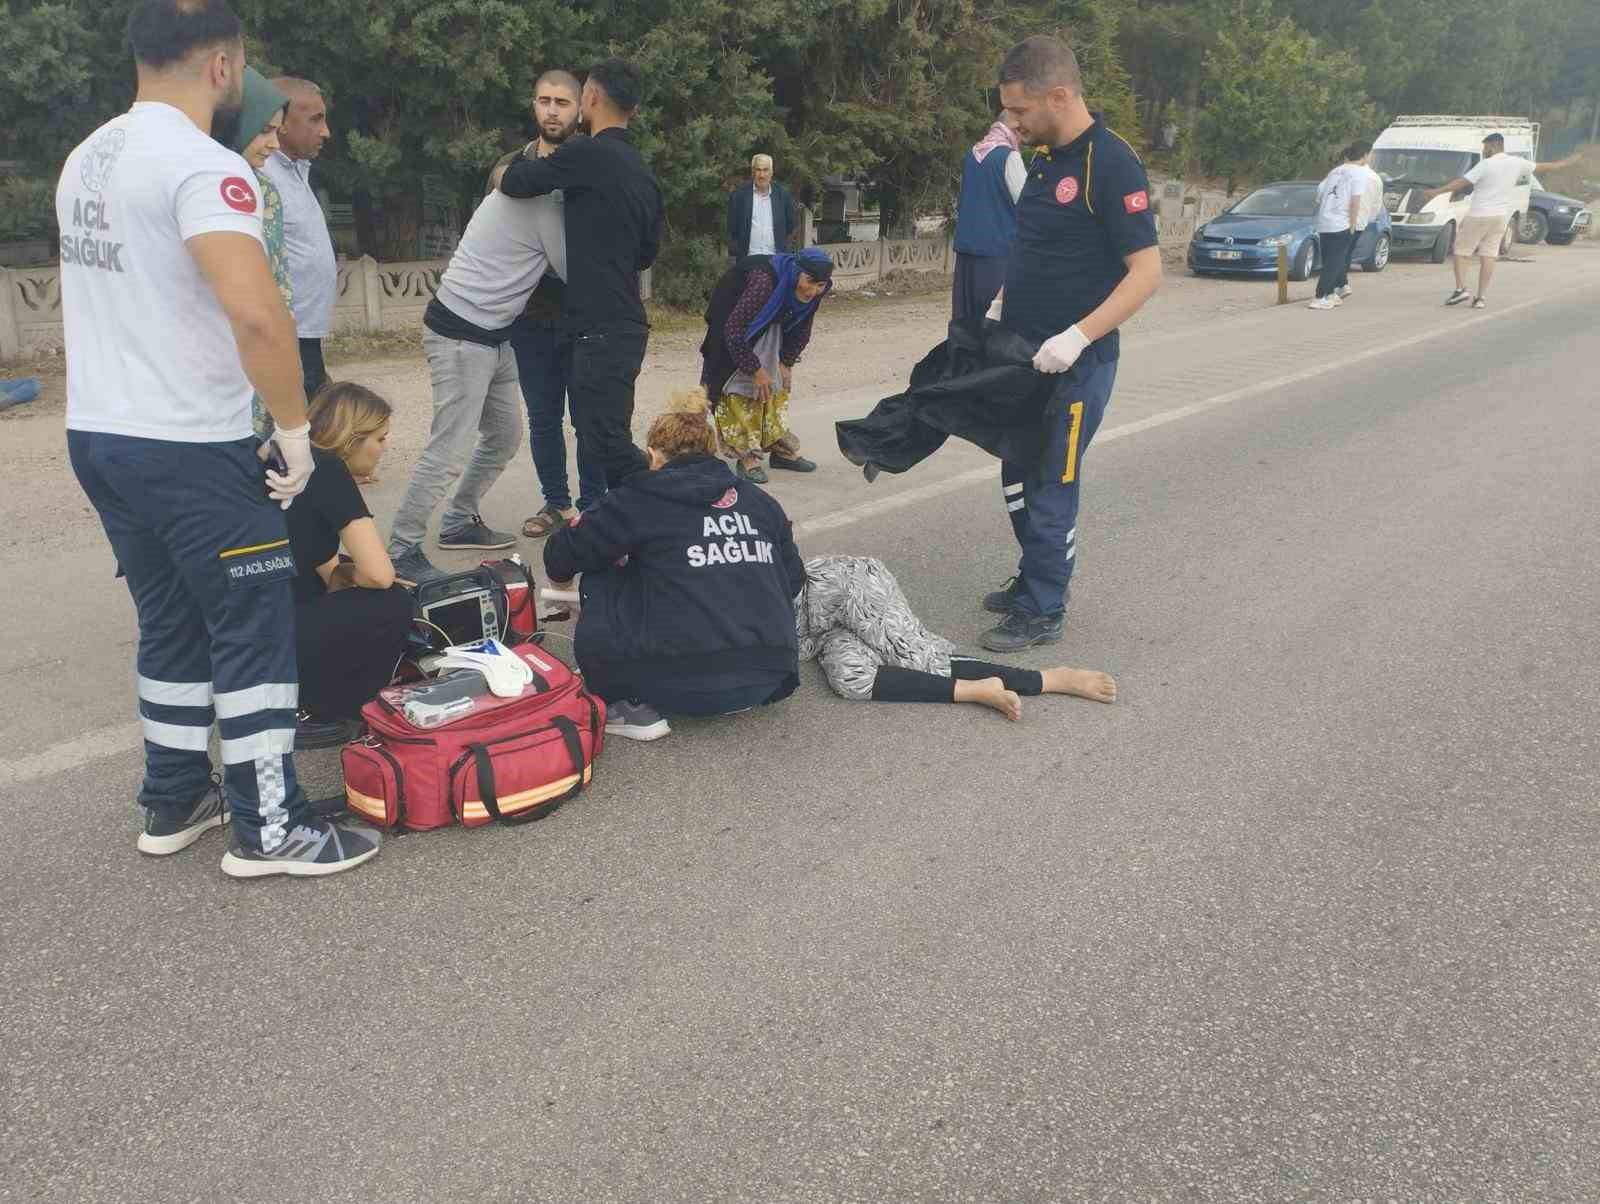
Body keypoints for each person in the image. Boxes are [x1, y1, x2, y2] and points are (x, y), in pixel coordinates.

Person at [59, 0, 378, 878]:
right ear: (224, 67)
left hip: (102, 434)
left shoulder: (89, 157)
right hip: (188, 442)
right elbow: (257, 317)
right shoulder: (205, 168)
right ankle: (269, 829)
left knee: (169, 621)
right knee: (253, 623)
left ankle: (173, 797)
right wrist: (294, 432)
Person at [981, 36, 1162, 652]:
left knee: (1052, 480)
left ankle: (1043, 606)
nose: (1011, 122)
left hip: (1076, 364)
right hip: (1024, 356)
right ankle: (1032, 575)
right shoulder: (1044, 158)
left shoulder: (1111, 164)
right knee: (1015, 467)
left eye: (1019, 110)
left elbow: (1147, 274)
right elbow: (1036, 246)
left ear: (1058, 96)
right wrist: (1005, 297)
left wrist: (1078, 337)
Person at [543, 388, 805, 742]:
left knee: (602, 566)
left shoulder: (639, 497)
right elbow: (793, 580)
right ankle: (735, 668)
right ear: (711, 451)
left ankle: (623, 701)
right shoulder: (760, 501)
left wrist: (561, 585)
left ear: (652, 454)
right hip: (769, 677)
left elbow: (565, 554)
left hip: (676, 686)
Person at [386, 123, 569, 585]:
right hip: (462, 334)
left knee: (505, 433)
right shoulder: (540, 204)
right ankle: (401, 548)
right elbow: (570, 268)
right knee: (448, 449)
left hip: (494, 334)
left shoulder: (532, 195)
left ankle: (458, 520)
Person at [500, 58, 665, 490]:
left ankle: (677, 488)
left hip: (599, 329)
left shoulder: (584, 153)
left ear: (590, 98)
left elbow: (516, 182)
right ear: (635, 109)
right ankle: (613, 522)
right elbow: (646, 254)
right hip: (627, 324)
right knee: (603, 436)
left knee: (605, 442)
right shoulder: (644, 172)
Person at [487, 71, 607, 540]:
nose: (552, 110)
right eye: (544, 100)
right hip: (530, 318)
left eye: (562, 102)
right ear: (533, 104)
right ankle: (556, 503)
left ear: (580, 108)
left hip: (584, 318)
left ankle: (595, 506)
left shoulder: (595, 163)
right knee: (543, 418)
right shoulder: (509, 165)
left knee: (588, 417)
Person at [798, 556, 1117, 719]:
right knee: (851, 679)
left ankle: (1048, 679)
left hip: (839, 586)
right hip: (817, 631)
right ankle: (978, 690)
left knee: (915, 657)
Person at [285, 382, 413, 741]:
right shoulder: (326, 469)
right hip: (279, 634)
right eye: (380, 439)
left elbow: (321, 559)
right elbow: (379, 574)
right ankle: (327, 709)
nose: (384, 449)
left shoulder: (288, 457)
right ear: (354, 438)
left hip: (239, 625)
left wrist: (347, 573)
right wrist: (366, 578)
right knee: (393, 601)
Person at [699, 247, 834, 482]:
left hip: (770, 322)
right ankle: (747, 457)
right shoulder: (764, 283)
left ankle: (779, 449)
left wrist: (786, 362)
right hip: (731, 322)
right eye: (810, 282)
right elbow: (733, 331)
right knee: (737, 388)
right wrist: (755, 369)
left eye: (820, 285)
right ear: (796, 273)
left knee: (776, 387)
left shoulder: (816, 290)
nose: (813, 291)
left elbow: (803, 328)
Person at [212, 66, 291, 438]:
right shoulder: (209, 186)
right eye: (265, 131)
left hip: (253, 358)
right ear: (231, 124)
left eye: (277, 131)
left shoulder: (262, 191)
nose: (275, 144)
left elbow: (275, 290)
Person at [1426, 134, 1584, 309]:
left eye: (1485, 147)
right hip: (1500, 216)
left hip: (1479, 214)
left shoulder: (1486, 164)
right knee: (1489, 255)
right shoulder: (1517, 162)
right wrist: (1567, 162)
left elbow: (1462, 183)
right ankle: (1481, 297)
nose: (1484, 150)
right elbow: (1547, 167)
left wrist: (1437, 191)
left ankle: (1460, 289)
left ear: (1493, 146)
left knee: (1461, 252)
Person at [260, 75, 336, 398]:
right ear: (282, 122)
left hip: (308, 334)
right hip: (284, 338)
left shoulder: (297, 170)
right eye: (315, 120)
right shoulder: (263, 177)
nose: (326, 131)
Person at [952, 114, 1025, 322]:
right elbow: (1027, 205)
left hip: (965, 255)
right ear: (1013, 126)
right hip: (998, 255)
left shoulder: (971, 154)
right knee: (996, 326)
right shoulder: (1009, 157)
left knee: (965, 325)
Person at [1308, 146, 1362, 311]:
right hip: (1341, 223)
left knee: (1328, 260)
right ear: (1365, 155)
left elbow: (1319, 194)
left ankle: (1330, 294)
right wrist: (1353, 224)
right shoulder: (1359, 173)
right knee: (1336, 261)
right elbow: (1355, 201)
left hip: (1324, 221)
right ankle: (1319, 296)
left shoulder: (1334, 171)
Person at [726, 154, 798, 260]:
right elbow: (732, 228)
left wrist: (785, 250)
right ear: (752, 172)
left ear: (771, 172)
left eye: (765, 170)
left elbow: (790, 226)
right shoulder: (739, 196)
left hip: (776, 260)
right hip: (749, 259)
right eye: (758, 170)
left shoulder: (783, 196)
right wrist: (737, 250)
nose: (762, 175)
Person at [1336, 141, 1383, 301]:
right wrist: (1368, 219)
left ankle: (1340, 284)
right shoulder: (1375, 178)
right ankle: (1341, 284)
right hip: (1361, 221)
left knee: (1340, 253)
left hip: (1341, 220)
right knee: (1346, 252)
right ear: (1365, 155)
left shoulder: (1343, 173)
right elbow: (1376, 204)